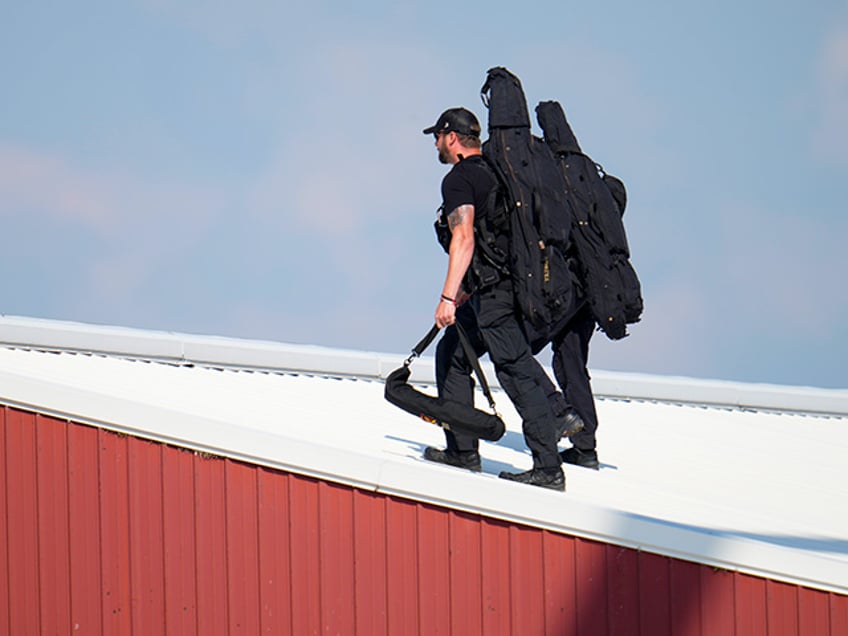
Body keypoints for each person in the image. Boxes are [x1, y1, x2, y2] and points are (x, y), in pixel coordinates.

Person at [420, 107, 567, 491]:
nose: (435, 144)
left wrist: (447, 297)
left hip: (495, 298)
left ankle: (548, 468)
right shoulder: (497, 173)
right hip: (500, 290)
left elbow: (464, 238)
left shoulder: (459, 179)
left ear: (452, 137)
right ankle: (462, 451)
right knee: (451, 354)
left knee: (516, 373)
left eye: (437, 136)